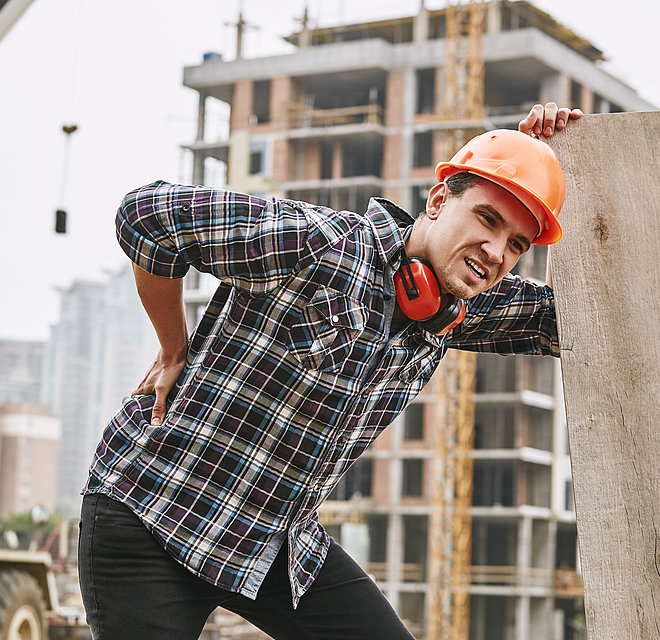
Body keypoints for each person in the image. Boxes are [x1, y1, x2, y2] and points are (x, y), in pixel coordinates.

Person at [78, 102, 581, 640]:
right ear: (438, 201)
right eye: (488, 218)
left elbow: (573, 319)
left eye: (517, 244)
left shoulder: (455, 309)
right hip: (152, 515)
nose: (496, 250)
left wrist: (566, 164)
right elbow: (148, 216)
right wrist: (173, 347)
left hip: (273, 543)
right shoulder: (321, 245)